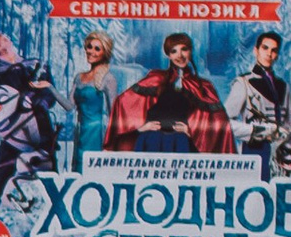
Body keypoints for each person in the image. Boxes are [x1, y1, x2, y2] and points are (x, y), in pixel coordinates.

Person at [0, 37, 57, 212]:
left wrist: (39, 102)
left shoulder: (36, 64)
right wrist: (16, 104)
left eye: (1, 36)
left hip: (41, 128)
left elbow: (50, 94)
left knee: (48, 171)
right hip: (15, 131)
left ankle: (56, 210)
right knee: (0, 171)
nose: (0, 39)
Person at [114, 31, 229, 154]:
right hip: (151, 140)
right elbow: (123, 103)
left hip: (181, 142)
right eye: (174, 51)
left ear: (190, 51)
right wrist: (141, 127)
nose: (180, 55)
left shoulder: (203, 86)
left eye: (184, 49)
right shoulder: (156, 78)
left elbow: (219, 121)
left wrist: (193, 131)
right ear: (168, 55)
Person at [226, 27, 287, 157]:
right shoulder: (243, 83)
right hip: (254, 150)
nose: (269, 54)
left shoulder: (283, 86)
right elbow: (225, 123)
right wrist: (256, 131)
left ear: (277, 55)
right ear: (256, 50)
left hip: (282, 152)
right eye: (265, 48)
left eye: (274, 50)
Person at [71, 30, 117, 157]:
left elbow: (113, 114)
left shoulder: (108, 78)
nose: (91, 51)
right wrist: (49, 88)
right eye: (89, 47)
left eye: (97, 49)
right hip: (80, 131)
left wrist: (109, 144)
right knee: (78, 169)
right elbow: (69, 106)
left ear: (104, 53)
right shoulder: (79, 77)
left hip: (97, 133)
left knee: (92, 172)